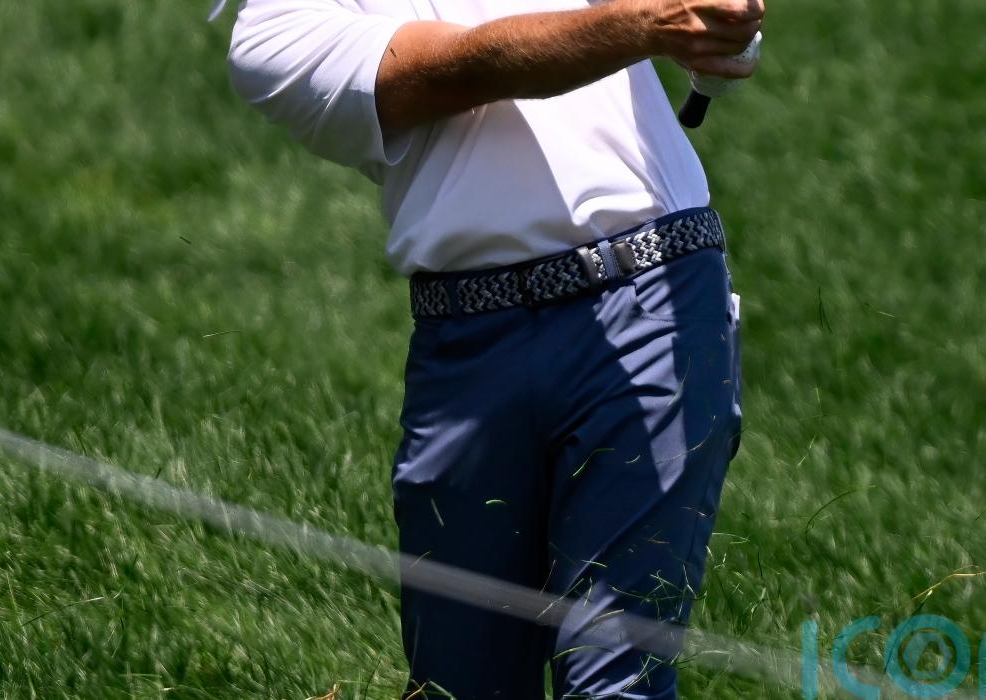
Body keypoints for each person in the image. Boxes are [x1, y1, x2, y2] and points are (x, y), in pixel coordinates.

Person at [224, 0, 763, 696]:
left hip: (651, 290)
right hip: (466, 347)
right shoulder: (273, 35)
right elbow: (463, 66)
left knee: (615, 681)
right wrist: (646, 24)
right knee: (458, 684)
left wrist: (714, 27)